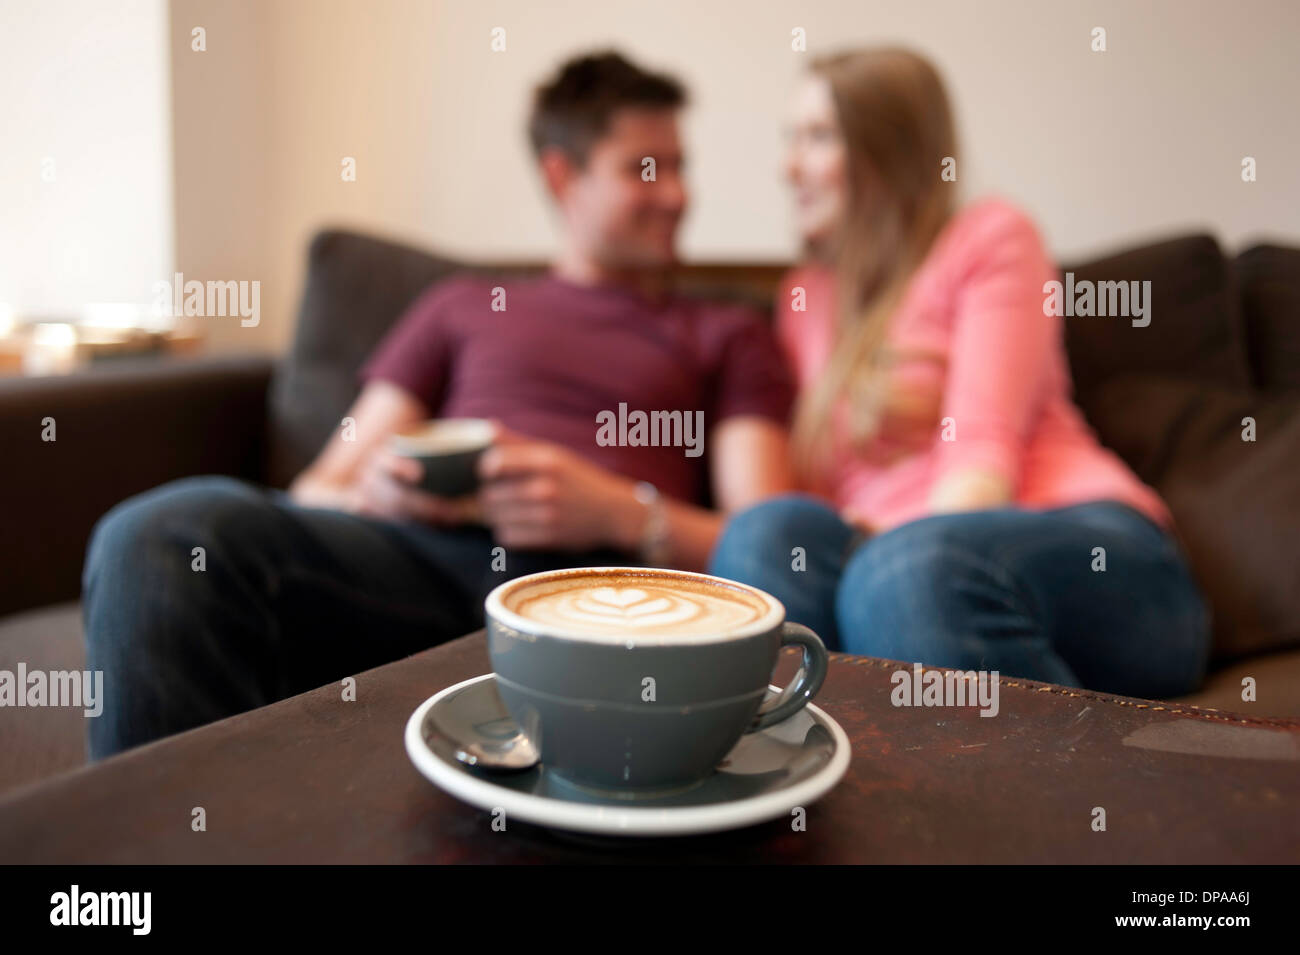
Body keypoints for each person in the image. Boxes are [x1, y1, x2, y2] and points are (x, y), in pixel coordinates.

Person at [83, 51, 795, 759]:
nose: (675, 194)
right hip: (419, 568)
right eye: (646, 169)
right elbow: (318, 488)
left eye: (681, 166)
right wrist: (382, 492)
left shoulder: (725, 331)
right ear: (561, 175)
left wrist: (621, 512)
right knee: (160, 532)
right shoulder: (461, 306)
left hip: (603, 591)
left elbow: (769, 547)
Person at [708, 48, 1211, 699]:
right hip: (889, 572)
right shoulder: (806, 297)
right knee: (763, 535)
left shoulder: (990, 237)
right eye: (790, 139)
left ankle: (1075, 794)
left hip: (1086, 553)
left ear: (889, 151)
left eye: (818, 137)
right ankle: (814, 771)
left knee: (907, 573)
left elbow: (981, 450)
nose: (789, 166)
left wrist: (887, 555)